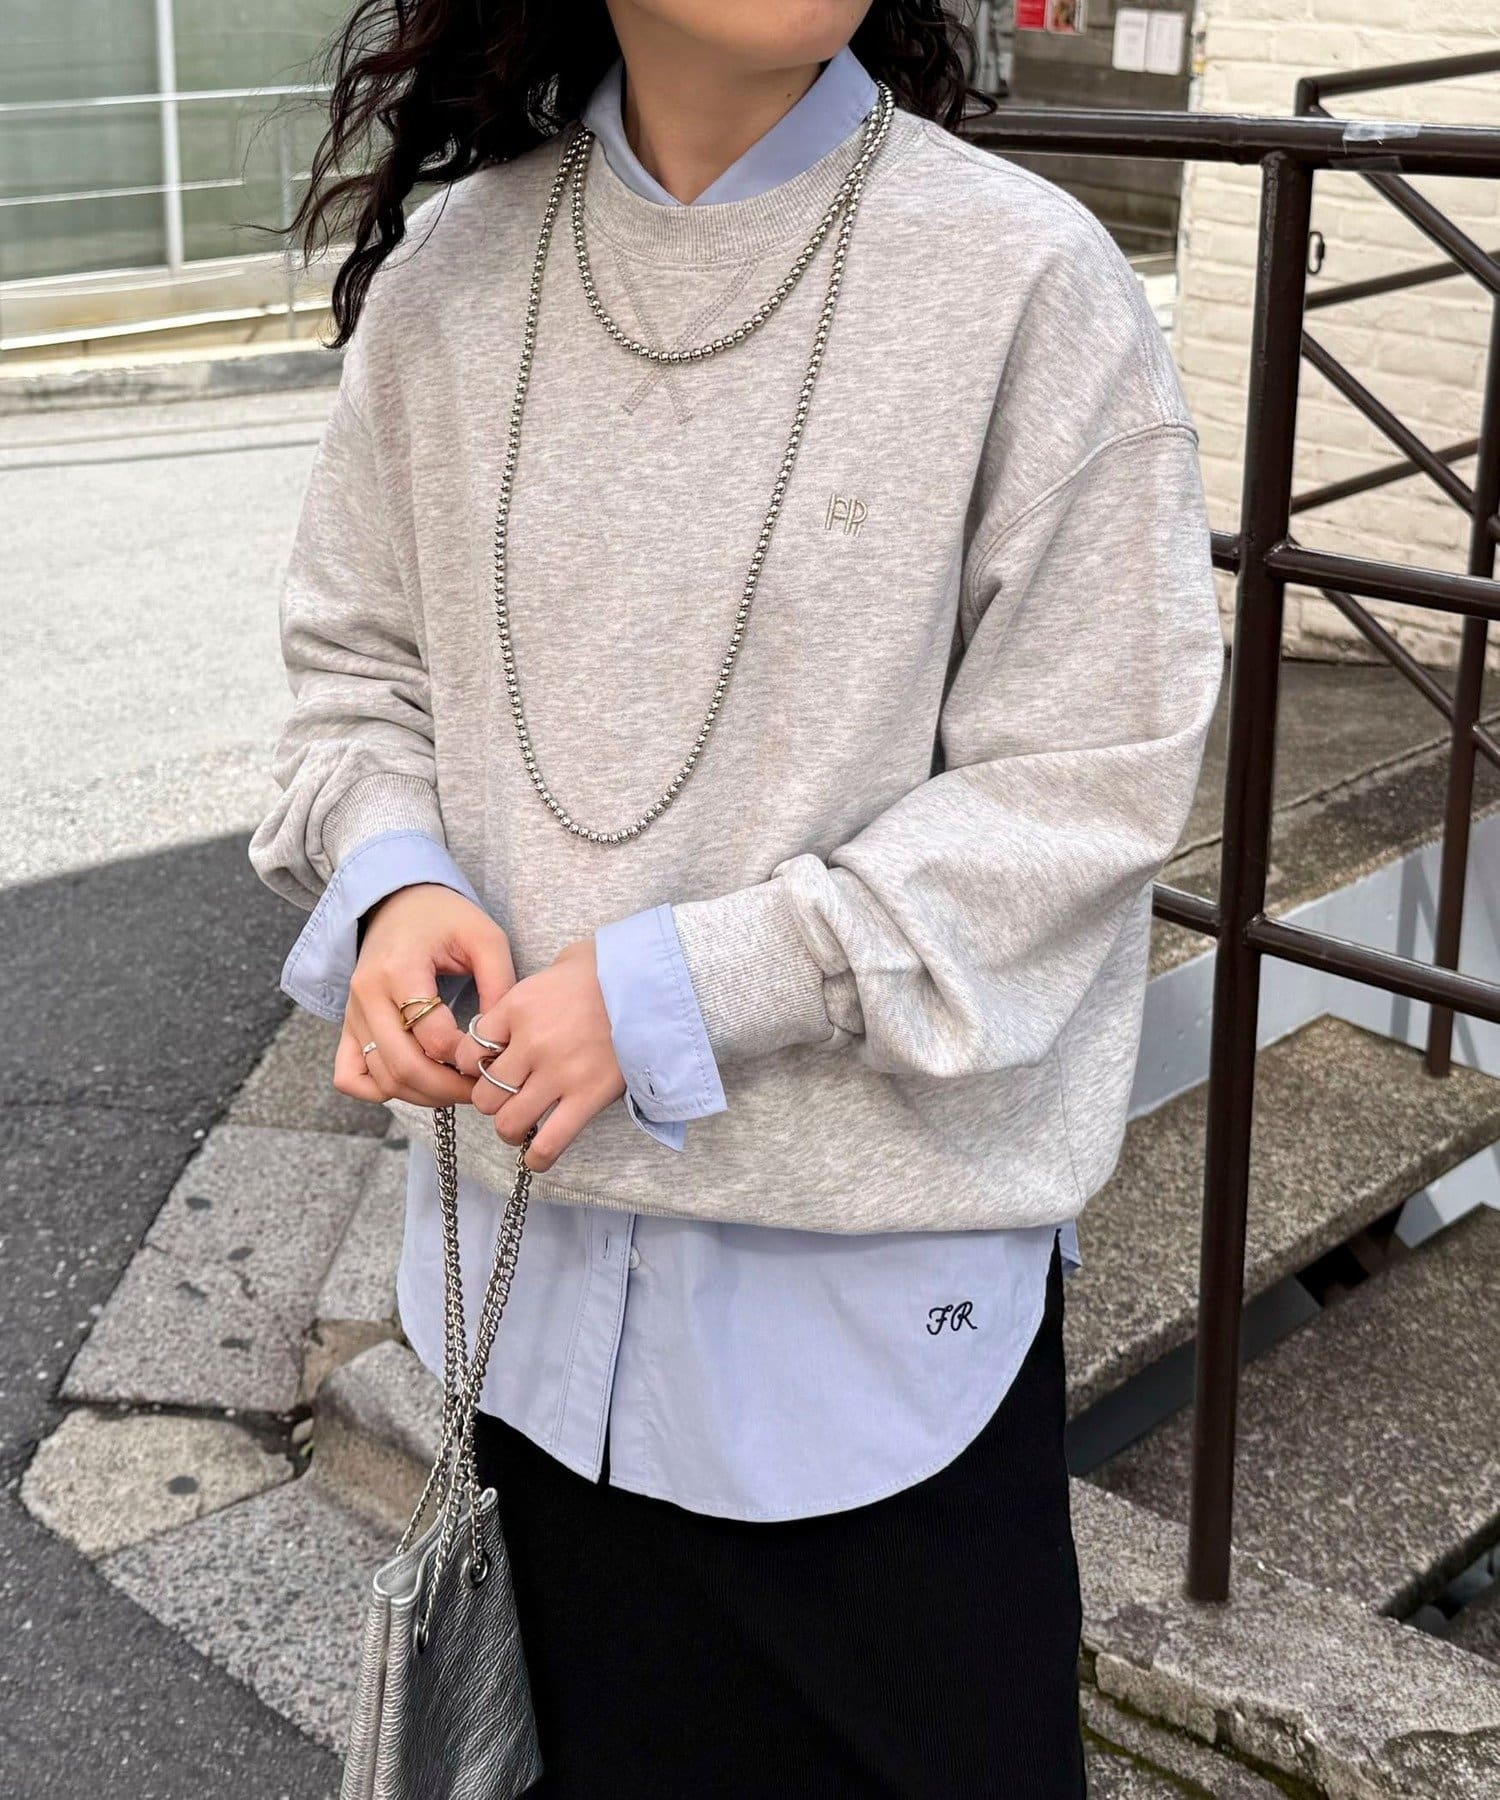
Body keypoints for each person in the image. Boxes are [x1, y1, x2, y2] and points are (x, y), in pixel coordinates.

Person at [250, 3, 1225, 1793]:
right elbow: (357, 672)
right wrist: (394, 882)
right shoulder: (453, 282)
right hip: (521, 1321)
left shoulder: (1025, 282)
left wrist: (691, 986)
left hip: (872, 1349)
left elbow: (1087, 781)